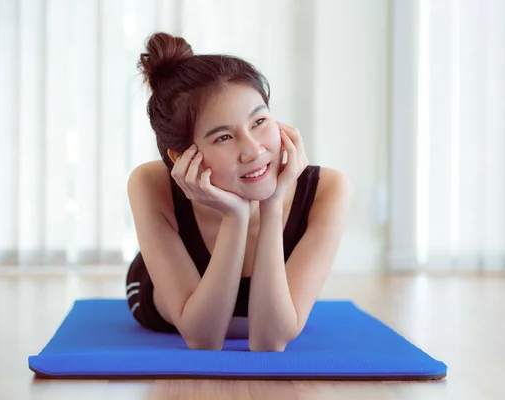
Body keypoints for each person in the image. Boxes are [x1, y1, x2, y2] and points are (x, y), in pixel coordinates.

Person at [125, 32, 352, 352]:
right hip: (170, 290)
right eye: (223, 138)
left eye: (259, 121)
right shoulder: (150, 183)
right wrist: (235, 215)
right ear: (181, 155)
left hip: (270, 302)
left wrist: (272, 202)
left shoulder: (329, 189)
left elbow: (270, 342)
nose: (254, 150)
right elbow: (203, 340)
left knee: (282, 316)